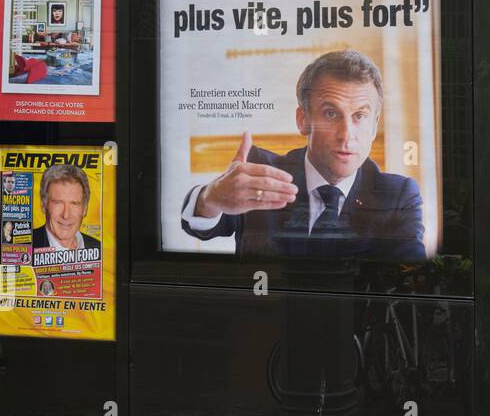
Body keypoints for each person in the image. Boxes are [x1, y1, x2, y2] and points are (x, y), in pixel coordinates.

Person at [180, 50, 425, 261]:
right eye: (331, 114)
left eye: (359, 116)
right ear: (303, 120)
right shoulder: (263, 171)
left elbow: (409, 277)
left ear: (374, 126)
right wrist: (210, 198)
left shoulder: (398, 196)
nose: (347, 136)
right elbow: (202, 225)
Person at [31, 163, 100, 254]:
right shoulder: (25, 246)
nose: (66, 215)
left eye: (74, 204)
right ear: (43, 205)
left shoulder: (98, 248)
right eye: (58, 203)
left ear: (85, 209)